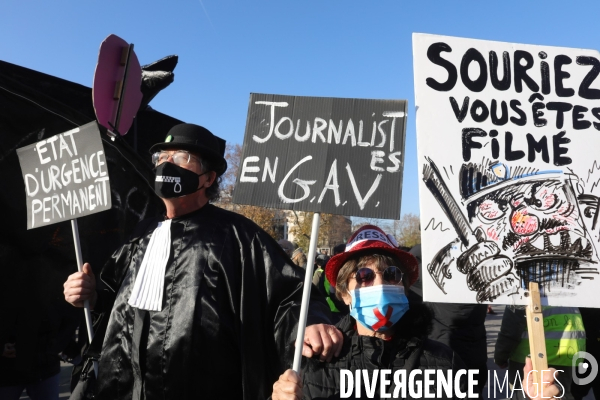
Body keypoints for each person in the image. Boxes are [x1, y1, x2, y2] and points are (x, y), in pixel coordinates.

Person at [63, 123, 342, 400]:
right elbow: (112, 302)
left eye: (181, 158)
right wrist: (89, 295)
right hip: (122, 388)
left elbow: (292, 294)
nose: (166, 164)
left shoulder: (239, 236)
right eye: (161, 158)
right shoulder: (140, 235)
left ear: (208, 179)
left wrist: (311, 322)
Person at [271, 225, 469, 400]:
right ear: (344, 294)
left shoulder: (445, 363)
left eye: (392, 274)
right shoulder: (314, 365)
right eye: (364, 275)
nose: (380, 285)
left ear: (405, 288)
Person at [495, 305, 586, 400]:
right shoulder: (569, 292)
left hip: (529, 358)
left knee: (526, 393)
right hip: (566, 355)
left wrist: (500, 357)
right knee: (561, 393)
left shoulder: (522, 292)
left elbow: (510, 329)